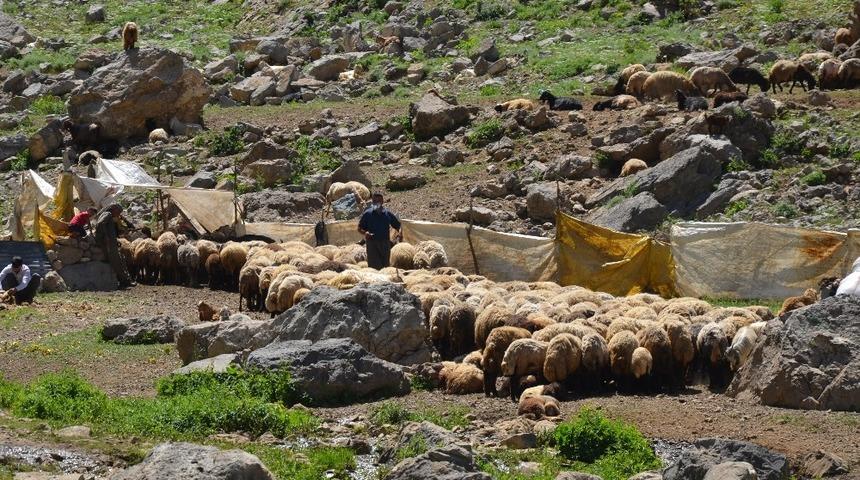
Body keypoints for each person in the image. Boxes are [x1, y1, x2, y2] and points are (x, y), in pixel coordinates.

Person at [358, 193, 401, 270]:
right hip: (372, 244)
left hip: (385, 244)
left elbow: (397, 225)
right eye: (374, 201)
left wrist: (399, 235)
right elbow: (359, 228)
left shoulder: (387, 214)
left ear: (382, 202)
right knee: (374, 267)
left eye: (378, 201)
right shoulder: (368, 214)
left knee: (386, 266)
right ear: (372, 202)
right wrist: (365, 233)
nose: (376, 203)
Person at [95, 204, 135, 289]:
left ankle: (126, 280)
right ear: (114, 209)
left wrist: (114, 240)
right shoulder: (107, 214)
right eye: (118, 212)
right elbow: (100, 224)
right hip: (109, 245)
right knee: (117, 262)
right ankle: (124, 282)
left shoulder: (109, 216)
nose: (118, 214)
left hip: (112, 243)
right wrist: (106, 237)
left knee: (121, 260)